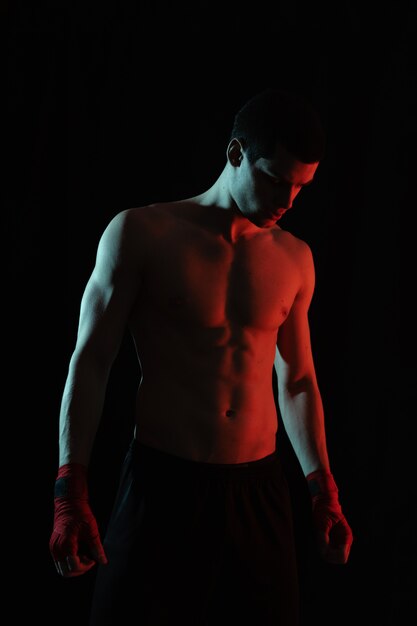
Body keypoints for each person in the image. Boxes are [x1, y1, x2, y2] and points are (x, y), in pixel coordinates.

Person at [50, 87, 354, 626]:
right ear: (235, 153)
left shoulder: (294, 258)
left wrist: (321, 488)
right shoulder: (141, 233)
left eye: (302, 187)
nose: (287, 199)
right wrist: (69, 491)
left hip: (258, 493)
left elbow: (299, 380)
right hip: (163, 488)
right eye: (275, 179)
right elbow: (91, 361)